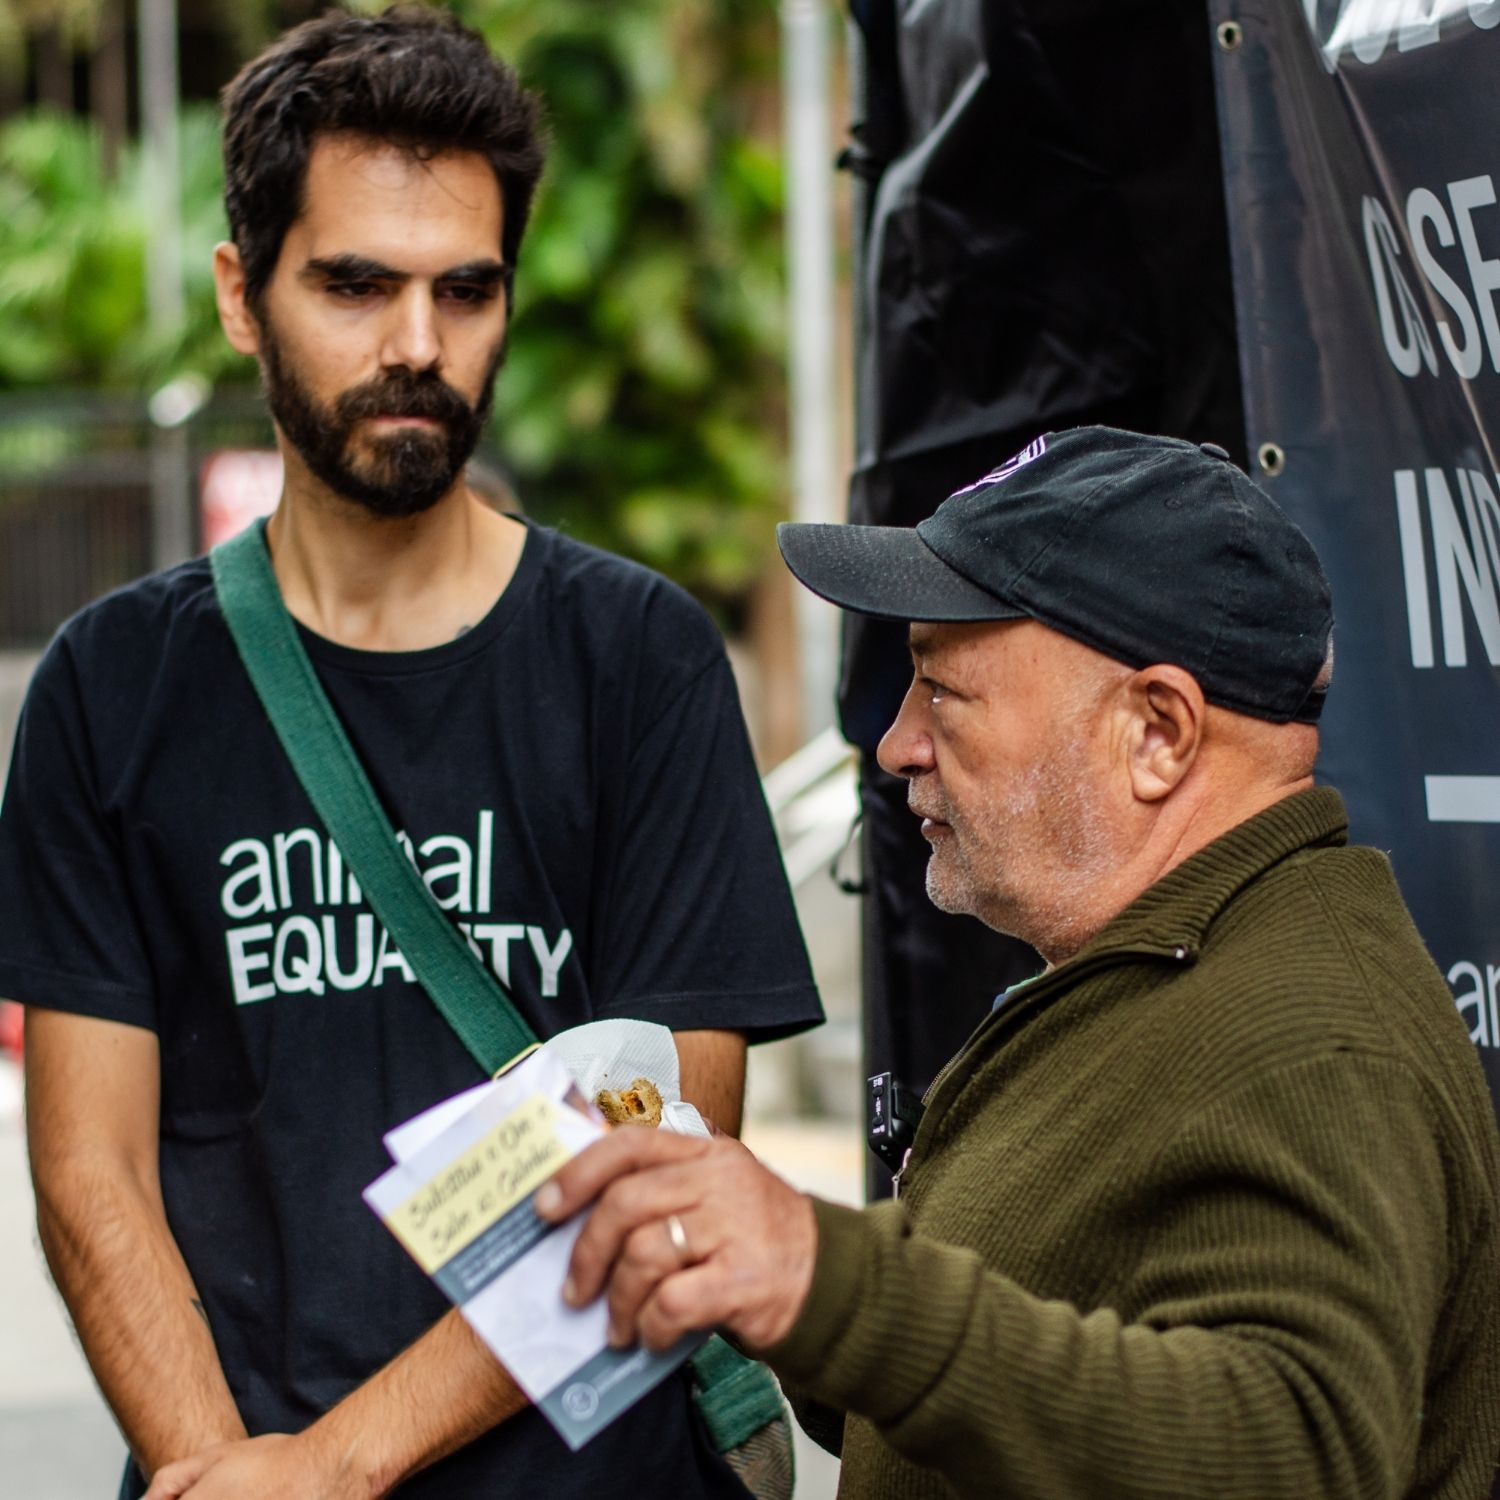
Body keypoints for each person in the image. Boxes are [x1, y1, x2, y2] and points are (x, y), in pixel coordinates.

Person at [0, 8, 821, 1498]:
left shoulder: (638, 664)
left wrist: (332, 1469)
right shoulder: (110, 689)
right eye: (356, 285)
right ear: (244, 298)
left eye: (468, 289)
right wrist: (225, 1472)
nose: (419, 347)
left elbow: (661, 1153)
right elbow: (88, 1168)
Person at [537, 427, 1500, 1499]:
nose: (897, 743)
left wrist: (831, 1283)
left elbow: (1291, 1448)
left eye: (943, 691)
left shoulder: (1310, 1043)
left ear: (1158, 732)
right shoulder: (1158, 968)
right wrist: (752, 1259)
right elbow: (1013, 1361)